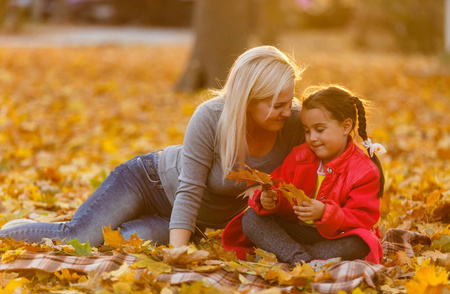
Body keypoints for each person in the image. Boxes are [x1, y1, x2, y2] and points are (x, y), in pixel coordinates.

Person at [0, 45, 306, 248]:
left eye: (289, 100)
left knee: (117, 242)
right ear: (249, 101)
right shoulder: (212, 117)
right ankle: (11, 231)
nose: (287, 109)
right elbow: (189, 190)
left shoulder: (293, 123)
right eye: (277, 104)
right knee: (80, 238)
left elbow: (334, 154)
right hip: (148, 182)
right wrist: (180, 254)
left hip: (188, 221)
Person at [222, 85, 386, 265]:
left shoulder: (363, 170)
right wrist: (271, 200)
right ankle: (302, 258)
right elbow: (278, 185)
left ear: (346, 126)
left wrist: (325, 212)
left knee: (360, 243)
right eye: (307, 131)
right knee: (252, 219)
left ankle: (293, 256)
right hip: (296, 231)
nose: (312, 138)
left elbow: (362, 218)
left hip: (336, 237)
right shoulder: (300, 156)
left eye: (320, 129)